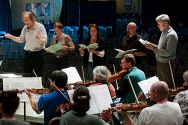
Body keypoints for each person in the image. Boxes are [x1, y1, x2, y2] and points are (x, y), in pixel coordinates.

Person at [118, 81, 183, 125]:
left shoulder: (147, 111)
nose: (148, 94)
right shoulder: (176, 106)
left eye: (150, 91)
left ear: (156, 95)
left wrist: (126, 116)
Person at [4, 11, 47, 77]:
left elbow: (45, 41)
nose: (25, 22)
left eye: (27, 20)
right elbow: (21, 40)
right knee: (27, 74)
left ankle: (39, 87)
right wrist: (11, 36)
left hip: (38, 54)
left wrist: (39, 38)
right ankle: (29, 87)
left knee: (39, 74)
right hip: (27, 54)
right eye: (24, 21)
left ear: (33, 19)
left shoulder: (40, 27)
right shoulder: (25, 28)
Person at [144, 14, 178, 88]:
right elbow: (161, 48)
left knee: (168, 86)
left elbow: (168, 52)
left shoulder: (171, 35)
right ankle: (163, 99)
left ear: (166, 23)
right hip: (161, 62)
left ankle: (170, 99)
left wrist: (153, 48)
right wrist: (151, 45)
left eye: (159, 24)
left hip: (167, 64)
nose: (157, 25)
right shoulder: (164, 32)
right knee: (162, 84)